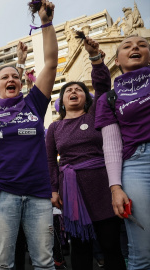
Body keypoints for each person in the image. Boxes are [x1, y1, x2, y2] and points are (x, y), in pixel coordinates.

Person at [0, 1, 58, 268]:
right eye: (5, 77)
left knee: (44, 262)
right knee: (2, 263)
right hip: (2, 193)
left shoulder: (34, 104)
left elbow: (50, 64)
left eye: (15, 75)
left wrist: (46, 23)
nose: (11, 79)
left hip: (38, 194)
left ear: (20, 82)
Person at [46, 37, 126, 270]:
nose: (73, 92)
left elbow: (102, 86)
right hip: (71, 191)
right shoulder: (54, 128)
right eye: (68, 90)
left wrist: (94, 57)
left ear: (86, 97)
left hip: (102, 186)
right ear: (61, 100)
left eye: (78, 90)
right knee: (81, 251)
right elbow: (50, 160)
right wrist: (53, 190)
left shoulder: (95, 115)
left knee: (111, 245)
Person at [95, 35, 150, 269]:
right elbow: (112, 145)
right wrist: (115, 187)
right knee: (142, 251)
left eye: (142, 44)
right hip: (135, 165)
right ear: (117, 60)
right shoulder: (109, 98)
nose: (135, 47)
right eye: (127, 46)